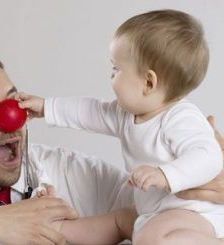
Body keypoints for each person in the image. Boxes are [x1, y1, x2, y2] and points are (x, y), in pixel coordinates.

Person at [0, 44, 223, 245]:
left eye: (12, 101)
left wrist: (206, 185)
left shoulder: (70, 171)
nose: (11, 118)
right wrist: (0, 223)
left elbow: (155, 212)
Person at [17, 9, 224, 244]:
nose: (111, 77)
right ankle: (56, 230)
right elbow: (90, 111)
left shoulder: (180, 118)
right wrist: (46, 107)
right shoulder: (127, 115)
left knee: (151, 237)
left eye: (116, 70)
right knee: (118, 220)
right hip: (154, 211)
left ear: (148, 82)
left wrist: (164, 175)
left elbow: (209, 157)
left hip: (193, 215)